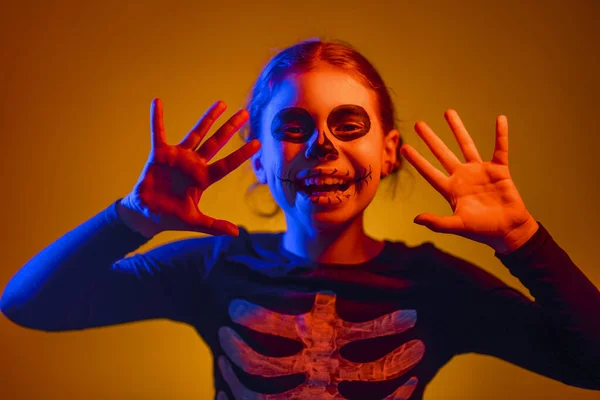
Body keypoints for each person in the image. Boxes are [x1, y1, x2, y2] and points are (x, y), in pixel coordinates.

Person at [1, 38, 599, 400]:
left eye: (348, 125)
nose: (322, 147)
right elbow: (30, 303)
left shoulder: (436, 285)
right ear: (258, 161)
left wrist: (524, 241)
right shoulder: (216, 266)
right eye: (293, 129)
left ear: (387, 152)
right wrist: (130, 218)